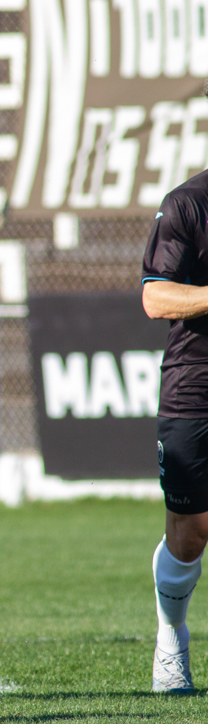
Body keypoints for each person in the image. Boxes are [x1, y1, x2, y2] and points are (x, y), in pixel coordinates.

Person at [141, 170, 208, 693]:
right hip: (196, 389)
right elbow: (157, 298)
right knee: (190, 532)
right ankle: (171, 634)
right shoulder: (187, 204)